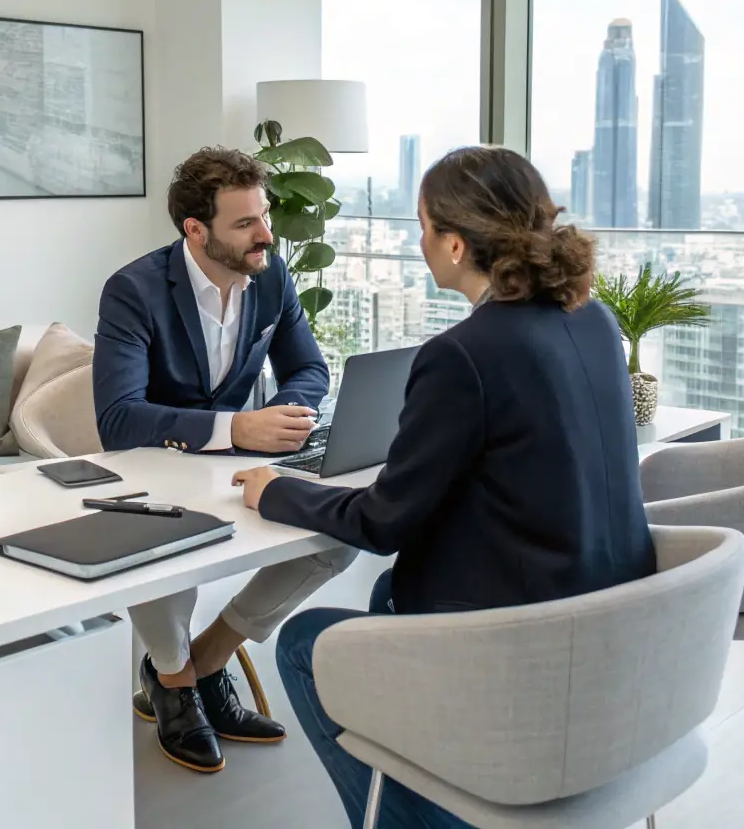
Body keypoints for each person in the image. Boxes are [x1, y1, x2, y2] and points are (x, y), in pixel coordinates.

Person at [233, 146, 657, 827]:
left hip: (523, 642)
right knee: (386, 595)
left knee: (303, 645)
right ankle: (435, 754)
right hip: (610, 618)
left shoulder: (464, 353)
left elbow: (382, 523)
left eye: (424, 226)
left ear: (456, 244)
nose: (418, 240)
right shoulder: (592, 320)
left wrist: (274, 490)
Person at [92, 146, 357, 775]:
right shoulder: (133, 290)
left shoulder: (272, 277)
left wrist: (288, 416)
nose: (266, 234)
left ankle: (209, 657)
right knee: (166, 551)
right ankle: (175, 680)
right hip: (155, 464)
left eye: (263, 216)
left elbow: (308, 368)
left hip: (244, 458)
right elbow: (118, 418)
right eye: (246, 223)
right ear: (196, 229)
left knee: (338, 537)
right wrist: (236, 426)